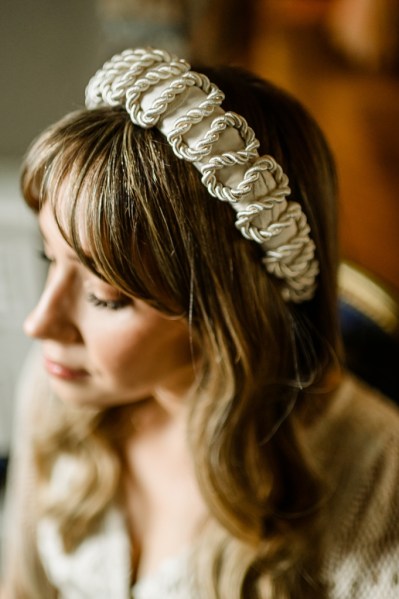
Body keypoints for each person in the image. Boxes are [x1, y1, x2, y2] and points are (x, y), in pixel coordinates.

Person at [2, 47, 399, 599]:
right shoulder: (59, 387)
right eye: (51, 259)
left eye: (104, 295)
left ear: (226, 314)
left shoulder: (381, 490)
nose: (40, 323)